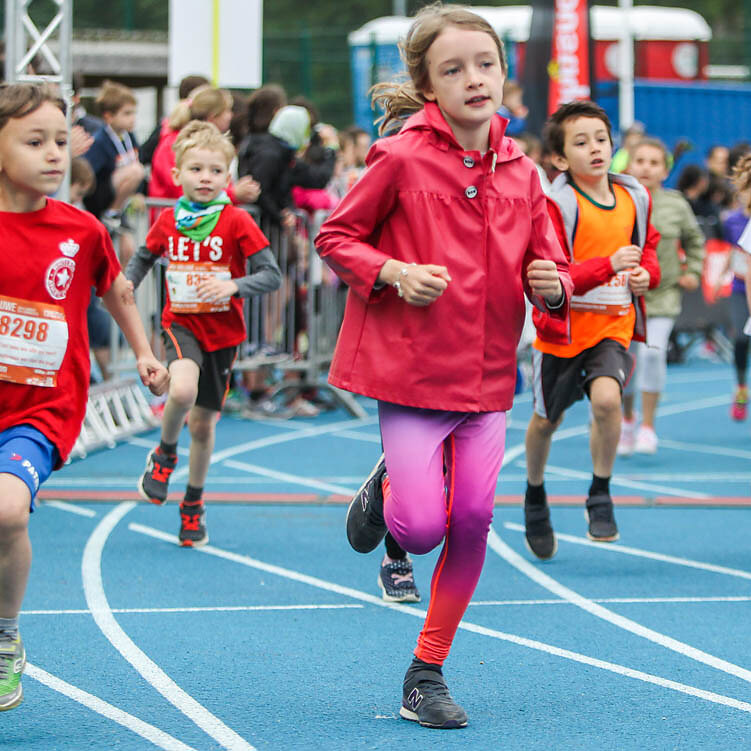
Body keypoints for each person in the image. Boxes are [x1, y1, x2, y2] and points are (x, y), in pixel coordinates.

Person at [315, 4, 571, 729]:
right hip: (412, 375)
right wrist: (393, 271)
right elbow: (335, 236)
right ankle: (387, 487)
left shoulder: (525, 172)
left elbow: (549, 264)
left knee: (474, 519)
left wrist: (553, 285)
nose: (473, 79)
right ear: (429, 86)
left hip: (487, 381)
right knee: (422, 527)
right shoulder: (399, 157)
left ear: (504, 72)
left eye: (485, 64)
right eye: (453, 69)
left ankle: (425, 671)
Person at [0, 82, 168, 711]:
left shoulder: (81, 229)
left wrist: (144, 352)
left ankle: (4, 637)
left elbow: (117, 290)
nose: (53, 154)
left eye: (60, 142)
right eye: (34, 142)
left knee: (7, 513)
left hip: (41, 409)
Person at [126, 121, 282, 546]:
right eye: (196, 169)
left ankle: (193, 503)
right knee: (181, 391)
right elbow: (143, 258)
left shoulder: (237, 221)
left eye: (215, 171)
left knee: (202, 425)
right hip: (181, 323)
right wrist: (127, 283)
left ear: (227, 177)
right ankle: (164, 454)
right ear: (177, 175)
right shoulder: (168, 220)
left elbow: (271, 274)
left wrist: (234, 286)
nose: (205, 178)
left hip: (223, 334)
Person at [523, 100, 660, 560]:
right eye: (581, 143)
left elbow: (648, 247)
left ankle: (600, 492)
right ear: (560, 159)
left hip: (613, 325)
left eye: (601, 139)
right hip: (562, 332)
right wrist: (607, 265)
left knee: (607, 400)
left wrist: (646, 275)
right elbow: (555, 275)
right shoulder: (557, 206)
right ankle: (535, 493)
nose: (595, 149)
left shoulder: (635, 197)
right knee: (547, 421)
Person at [619, 138, 705, 454]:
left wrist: (693, 271)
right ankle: (627, 418)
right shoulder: (616, 199)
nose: (647, 168)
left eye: (654, 163)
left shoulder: (676, 204)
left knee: (653, 355)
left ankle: (648, 426)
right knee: (625, 362)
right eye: (640, 161)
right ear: (629, 165)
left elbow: (695, 240)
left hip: (664, 295)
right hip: (623, 297)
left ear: (665, 171)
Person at [148, 86, 259, 207]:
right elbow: (183, 189)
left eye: (216, 171)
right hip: (178, 215)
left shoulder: (210, 144)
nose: (231, 115)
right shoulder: (176, 145)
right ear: (213, 116)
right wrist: (233, 194)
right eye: (227, 110)